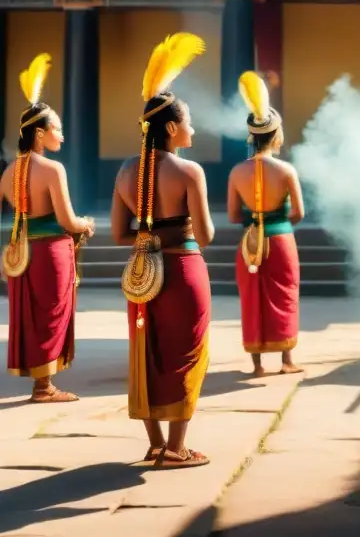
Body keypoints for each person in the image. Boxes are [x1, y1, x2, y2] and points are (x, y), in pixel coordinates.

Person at [110, 33, 214, 468]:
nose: (193, 128)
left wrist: (148, 229)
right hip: (184, 270)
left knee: (147, 350)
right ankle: (177, 448)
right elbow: (205, 235)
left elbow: (119, 234)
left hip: (143, 272)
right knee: (186, 353)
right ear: (171, 128)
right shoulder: (190, 171)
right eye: (188, 121)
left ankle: (154, 443)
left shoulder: (124, 170)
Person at [2, 54, 94, 402]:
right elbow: (68, 221)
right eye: (56, 128)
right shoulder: (53, 170)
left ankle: (40, 384)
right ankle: (44, 387)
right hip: (51, 252)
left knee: (29, 316)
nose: (62, 134)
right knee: (51, 314)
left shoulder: (8, 172)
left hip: (21, 252)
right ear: (40, 133)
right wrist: (85, 223)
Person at [227, 70, 305, 377]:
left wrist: (253, 217)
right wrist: (278, 218)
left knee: (253, 298)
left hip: (250, 242)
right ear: (276, 135)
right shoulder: (286, 170)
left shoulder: (236, 172)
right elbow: (299, 212)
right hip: (282, 238)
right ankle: (286, 361)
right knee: (285, 295)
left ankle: (257, 365)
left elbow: (233, 216)